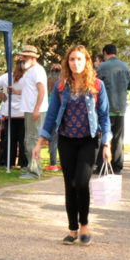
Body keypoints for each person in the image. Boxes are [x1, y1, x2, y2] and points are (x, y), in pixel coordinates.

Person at [38, 44, 110, 246]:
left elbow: (104, 116)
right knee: (69, 185)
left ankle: (85, 224)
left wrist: (106, 143)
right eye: (72, 59)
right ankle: (72, 229)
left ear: (86, 61)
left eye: (79, 59)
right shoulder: (62, 86)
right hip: (66, 139)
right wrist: (41, 139)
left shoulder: (97, 85)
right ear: (67, 63)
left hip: (89, 140)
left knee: (81, 182)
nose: (75, 63)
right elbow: (52, 115)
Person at [95, 44, 130, 175]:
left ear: (105, 53)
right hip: (120, 107)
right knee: (118, 137)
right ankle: (117, 166)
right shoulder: (125, 66)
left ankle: (101, 164)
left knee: (103, 136)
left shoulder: (101, 67)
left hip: (106, 107)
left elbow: (95, 85)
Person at [16, 45, 47, 179]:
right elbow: (30, 90)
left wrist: (36, 110)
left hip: (35, 110)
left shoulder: (37, 71)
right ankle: (32, 167)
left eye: (25, 56)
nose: (22, 58)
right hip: (30, 109)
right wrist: (16, 91)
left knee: (32, 140)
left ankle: (35, 171)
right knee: (28, 140)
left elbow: (41, 91)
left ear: (33, 58)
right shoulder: (29, 71)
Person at [0, 64, 28, 169]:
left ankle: (8, 162)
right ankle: (23, 163)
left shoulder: (7, 76)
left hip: (9, 111)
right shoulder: (28, 77)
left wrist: (3, 97)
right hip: (23, 112)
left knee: (9, 139)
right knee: (22, 139)